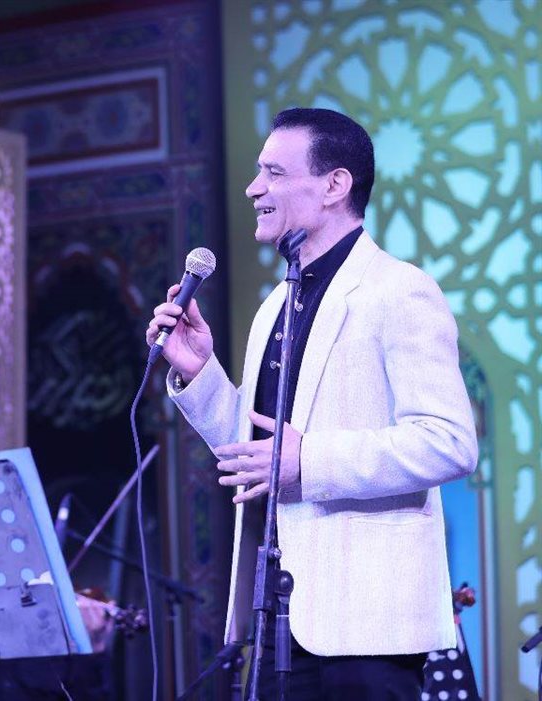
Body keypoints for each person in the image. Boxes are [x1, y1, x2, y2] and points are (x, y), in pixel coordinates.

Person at [145, 107, 477, 698]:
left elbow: (448, 442)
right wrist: (200, 373)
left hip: (366, 624)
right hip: (279, 615)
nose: (253, 189)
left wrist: (311, 460)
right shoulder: (275, 305)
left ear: (334, 185)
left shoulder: (398, 290)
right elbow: (258, 451)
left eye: (273, 172)